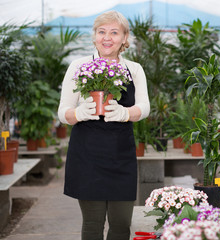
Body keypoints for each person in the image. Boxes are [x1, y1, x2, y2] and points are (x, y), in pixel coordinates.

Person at [58, 10, 150, 240]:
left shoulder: (135, 69)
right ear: (94, 36)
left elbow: (145, 107)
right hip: (87, 156)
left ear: (124, 38)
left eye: (114, 32)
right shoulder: (78, 66)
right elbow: (62, 112)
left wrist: (125, 113)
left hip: (121, 156)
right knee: (92, 224)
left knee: (121, 225)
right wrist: (78, 113)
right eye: (101, 32)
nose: (107, 37)